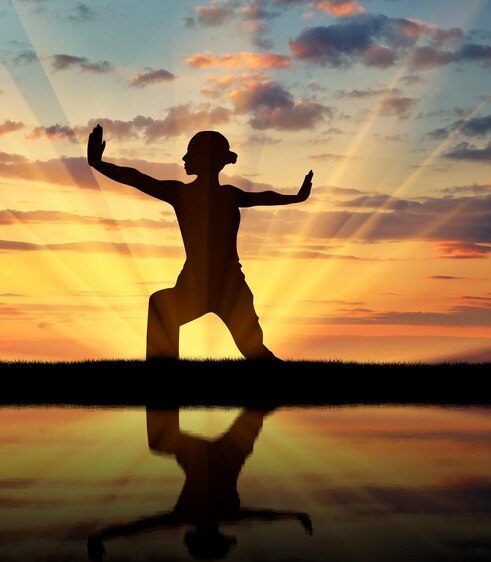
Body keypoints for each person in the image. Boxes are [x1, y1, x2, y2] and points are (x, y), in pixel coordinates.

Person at [87, 125, 313, 360]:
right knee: (162, 307)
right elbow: (137, 179)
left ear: (206, 159)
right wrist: (99, 164)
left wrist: (296, 197)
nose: (184, 158)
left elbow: (264, 197)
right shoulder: (218, 194)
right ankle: (161, 380)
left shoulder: (195, 193)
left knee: (253, 350)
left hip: (223, 286)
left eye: (190, 153)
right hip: (209, 284)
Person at [87, 408, 312, 561]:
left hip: (219, 454)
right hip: (224, 454)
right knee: (159, 440)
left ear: (217, 537)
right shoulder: (190, 515)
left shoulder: (221, 514)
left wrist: (295, 516)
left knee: (256, 410)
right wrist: (294, 516)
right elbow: (140, 528)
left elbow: (139, 527)